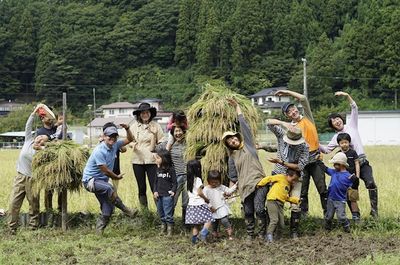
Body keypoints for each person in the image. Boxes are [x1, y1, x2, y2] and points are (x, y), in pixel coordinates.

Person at [320, 91, 378, 218]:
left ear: (341, 119)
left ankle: (374, 211)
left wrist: (346, 96)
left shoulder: (352, 125)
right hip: (349, 166)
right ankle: (356, 216)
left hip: (362, 161)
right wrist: (314, 142)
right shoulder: (336, 138)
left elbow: (354, 107)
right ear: (332, 126)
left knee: (370, 183)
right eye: (333, 121)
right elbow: (326, 150)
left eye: (337, 118)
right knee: (349, 192)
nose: (336, 121)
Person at [275, 89, 327, 216]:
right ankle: (304, 216)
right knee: (302, 191)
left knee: (322, 188)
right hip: (301, 162)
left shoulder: (308, 118)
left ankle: (328, 214)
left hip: (315, 159)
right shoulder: (291, 128)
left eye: (293, 108)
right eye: (289, 112)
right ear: (287, 115)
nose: (293, 112)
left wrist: (287, 93)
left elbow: (303, 98)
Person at [222, 99, 268, 241]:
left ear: (237, 137)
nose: (232, 141)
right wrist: (230, 192)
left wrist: (237, 107)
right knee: (248, 211)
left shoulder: (249, 145)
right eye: (229, 141)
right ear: (229, 145)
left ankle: (262, 233)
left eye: (233, 138)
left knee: (259, 208)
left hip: (259, 182)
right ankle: (250, 234)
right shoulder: (232, 157)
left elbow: (243, 125)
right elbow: (233, 178)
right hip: (245, 186)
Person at [82, 123, 137, 234]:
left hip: (101, 182)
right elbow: (105, 170)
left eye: (114, 136)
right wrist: (116, 177)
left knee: (108, 208)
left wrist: (127, 128)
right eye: (109, 136)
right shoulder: (99, 151)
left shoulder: (116, 145)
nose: (112, 138)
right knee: (109, 188)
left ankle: (99, 231)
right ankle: (126, 210)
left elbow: (130, 139)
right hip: (90, 181)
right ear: (104, 136)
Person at [8, 104, 48, 234]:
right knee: (14, 203)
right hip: (20, 176)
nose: (39, 138)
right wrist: (34, 113)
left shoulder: (43, 152)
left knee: (34, 205)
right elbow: (28, 126)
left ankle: (33, 227)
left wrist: (42, 148)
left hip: (33, 179)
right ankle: (12, 228)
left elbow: (47, 155)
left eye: (42, 138)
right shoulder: (28, 141)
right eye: (38, 137)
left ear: (44, 142)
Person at [266, 120, 309, 238]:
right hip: (279, 176)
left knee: (295, 204)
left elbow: (300, 166)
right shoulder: (282, 135)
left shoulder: (305, 146)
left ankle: (294, 231)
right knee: (274, 202)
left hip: (295, 178)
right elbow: (268, 122)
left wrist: (281, 162)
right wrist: (284, 124)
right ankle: (271, 231)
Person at [130, 102, 165, 209]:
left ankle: (160, 212)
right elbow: (129, 140)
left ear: (150, 113)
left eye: (147, 112)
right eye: (143, 113)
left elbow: (162, 141)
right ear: (139, 114)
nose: (145, 114)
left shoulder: (156, 126)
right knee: (141, 187)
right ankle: (145, 212)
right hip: (137, 161)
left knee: (155, 187)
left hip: (152, 161)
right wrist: (132, 145)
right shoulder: (134, 126)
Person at [257, 169, 301, 242]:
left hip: (280, 204)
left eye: (295, 180)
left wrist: (296, 200)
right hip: (272, 201)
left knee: (281, 224)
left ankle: (278, 239)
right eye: (293, 179)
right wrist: (260, 184)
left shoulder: (288, 186)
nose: (294, 182)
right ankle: (269, 236)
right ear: (288, 175)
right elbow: (269, 178)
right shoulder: (281, 177)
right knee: (274, 220)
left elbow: (285, 197)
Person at [323, 152, 358, 233]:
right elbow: (325, 169)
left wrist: (355, 180)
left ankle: (347, 228)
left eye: (335, 163)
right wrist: (319, 162)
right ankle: (327, 229)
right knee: (328, 216)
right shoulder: (333, 172)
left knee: (341, 217)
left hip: (340, 200)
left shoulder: (348, 176)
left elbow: (354, 186)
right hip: (330, 199)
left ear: (341, 164)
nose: (333, 165)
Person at [203, 170, 237, 240]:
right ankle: (215, 233)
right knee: (214, 222)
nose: (215, 184)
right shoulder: (206, 189)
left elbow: (228, 190)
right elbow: (205, 200)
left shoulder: (220, 186)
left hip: (221, 206)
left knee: (224, 220)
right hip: (212, 208)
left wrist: (235, 186)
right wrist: (210, 207)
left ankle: (230, 234)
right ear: (208, 181)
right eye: (213, 182)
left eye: (217, 182)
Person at [185, 160, 213, 244]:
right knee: (209, 219)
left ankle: (194, 241)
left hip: (191, 205)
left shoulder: (188, 180)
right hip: (199, 203)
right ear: (197, 168)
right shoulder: (198, 179)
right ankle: (203, 234)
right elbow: (200, 193)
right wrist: (206, 199)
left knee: (196, 224)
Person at [336, 133, 361, 222]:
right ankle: (342, 217)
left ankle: (356, 216)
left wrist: (357, 176)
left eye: (346, 142)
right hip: (342, 180)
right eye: (342, 143)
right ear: (339, 144)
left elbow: (357, 164)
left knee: (353, 198)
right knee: (343, 198)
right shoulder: (338, 154)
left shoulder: (353, 152)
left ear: (349, 142)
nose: (344, 144)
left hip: (352, 179)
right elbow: (336, 167)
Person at [168, 126, 189, 225]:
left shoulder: (190, 144)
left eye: (180, 131)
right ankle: (169, 224)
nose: (178, 133)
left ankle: (186, 224)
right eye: (176, 131)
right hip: (176, 178)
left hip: (188, 177)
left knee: (186, 203)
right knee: (172, 201)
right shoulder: (171, 145)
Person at [153, 148, 177, 236]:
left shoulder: (171, 170)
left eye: (158, 158)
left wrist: (173, 191)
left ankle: (170, 229)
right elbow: (155, 182)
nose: (156, 160)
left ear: (164, 159)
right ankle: (163, 227)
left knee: (168, 213)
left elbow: (175, 182)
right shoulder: (157, 169)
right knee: (160, 212)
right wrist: (155, 191)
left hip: (167, 195)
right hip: (159, 195)